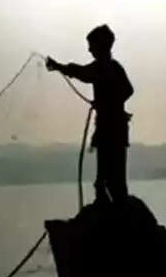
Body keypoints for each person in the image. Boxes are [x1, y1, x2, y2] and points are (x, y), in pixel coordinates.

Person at [46, 25, 134, 204]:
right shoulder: (110, 67)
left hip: (111, 129)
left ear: (101, 46)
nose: (89, 49)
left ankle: (111, 212)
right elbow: (84, 73)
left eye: (91, 45)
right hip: (112, 128)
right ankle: (113, 209)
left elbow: (84, 74)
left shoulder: (106, 67)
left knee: (109, 180)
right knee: (110, 179)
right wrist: (59, 67)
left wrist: (58, 67)